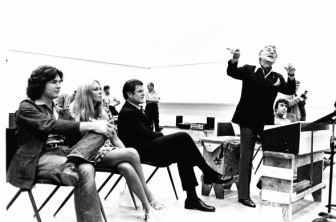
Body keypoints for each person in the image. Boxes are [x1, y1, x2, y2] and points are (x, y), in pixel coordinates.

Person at [7, 65, 115, 222]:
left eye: (59, 81)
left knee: (99, 134)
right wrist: (92, 125)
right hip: (39, 157)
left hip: (65, 153)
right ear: (39, 83)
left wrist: (101, 127)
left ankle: (75, 159)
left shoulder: (60, 109)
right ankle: (75, 161)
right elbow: (51, 125)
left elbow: (75, 134)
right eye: (53, 81)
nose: (58, 85)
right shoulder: (27, 107)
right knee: (86, 169)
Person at [118, 79, 232, 213]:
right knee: (183, 136)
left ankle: (192, 198)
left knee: (183, 152)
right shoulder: (127, 112)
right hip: (140, 152)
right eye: (140, 91)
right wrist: (161, 136)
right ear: (129, 94)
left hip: (148, 147)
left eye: (143, 90)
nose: (144, 94)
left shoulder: (137, 108)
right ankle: (208, 173)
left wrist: (159, 135)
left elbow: (148, 130)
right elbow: (144, 134)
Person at [71, 79, 166, 221]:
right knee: (132, 152)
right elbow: (75, 142)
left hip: (109, 150)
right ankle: (149, 195)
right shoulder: (76, 113)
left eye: (100, 89)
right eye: (95, 89)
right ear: (86, 93)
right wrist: (128, 153)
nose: (100, 92)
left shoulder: (104, 111)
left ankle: (147, 209)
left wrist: (125, 153)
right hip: (89, 154)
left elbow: (114, 139)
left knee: (127, 166)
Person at [227, 45, 296, 207]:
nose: (272, 52)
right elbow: (232, 72)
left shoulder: (277, 76)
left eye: (274, 52)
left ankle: (263, 183)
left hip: (266, 122)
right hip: (247, 120)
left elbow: (289, 89)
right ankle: (243, 195)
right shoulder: (249, 70)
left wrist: (291, 75)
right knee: (246, 157)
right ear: (260, 55)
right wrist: (234, 59)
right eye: (268, 50)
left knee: (272, 155)